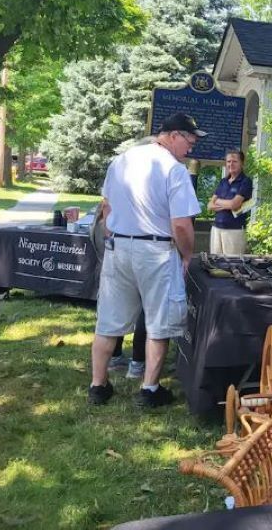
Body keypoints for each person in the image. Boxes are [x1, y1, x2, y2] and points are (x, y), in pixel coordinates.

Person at [87, 113, 204, 407]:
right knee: (159, 323)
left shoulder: (122, 160)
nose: (190, 148)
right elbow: (180, 225)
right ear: (173, 135)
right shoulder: (173, 170)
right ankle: (149, 389)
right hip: (155, 252)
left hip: (120, 249)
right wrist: (188, 255)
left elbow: (106, 209)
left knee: (108, 321)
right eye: (189, 140)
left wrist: (115, 236)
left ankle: (98, 385)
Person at [206, 149, 252, 255]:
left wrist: (217, 201)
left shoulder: (245, 182)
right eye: (228, 161)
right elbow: (209, 206)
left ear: (242, 163)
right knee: (216, 265)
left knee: (232, 265)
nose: (231, 164)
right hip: (216, 229)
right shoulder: (223, 181)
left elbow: (234, 204)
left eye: (235, 161)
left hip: (234, 231)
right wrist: (228, 205)